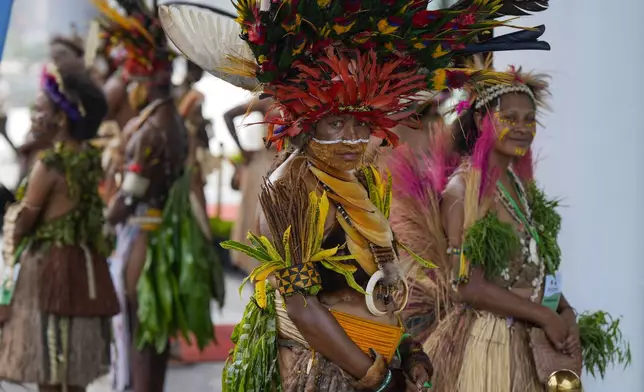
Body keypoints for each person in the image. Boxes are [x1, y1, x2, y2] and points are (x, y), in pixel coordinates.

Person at [160, 0, 538, 390]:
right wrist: (376, 378)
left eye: (361, 123)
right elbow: (302, 307)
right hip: (325, 369)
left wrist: (406, 349)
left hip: (374, 360)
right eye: (336, 123)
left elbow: (381, 278)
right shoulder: (290, 186)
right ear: (305, 124)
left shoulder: (362, 179)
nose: (352, 139)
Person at [389, 65, 586, 391]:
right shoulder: (462, 192)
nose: (522, 128)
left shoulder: (520, 188)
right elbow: (465, 287)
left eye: (529, 119)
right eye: (509, 117)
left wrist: (565, 313)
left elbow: (534, 268)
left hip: (531, 346)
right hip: (490, 348)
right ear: (482, 121)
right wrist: (544, 316)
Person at [98, 1, 224, 391]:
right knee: (149, 342)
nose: (130, 91)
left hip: (143, 241)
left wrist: (104, 222)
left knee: (140, 337)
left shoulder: (153, 128)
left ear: (145, 82)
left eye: (132, 83)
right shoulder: (168, 119)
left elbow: (130, 196)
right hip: (158, 241)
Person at [0, 60, 119, 392]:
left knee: (49, 367)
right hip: (84, 268)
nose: (35, 117)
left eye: (40, 110)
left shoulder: (48, 166)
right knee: (73, 367)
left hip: (48, 272)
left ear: (63, 117)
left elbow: (24, 222)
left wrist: (12, 216)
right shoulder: (90, 159)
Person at [223, 97, 277, 274]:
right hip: (263, 167)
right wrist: (242, 149)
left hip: (292, 164)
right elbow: (228, 115)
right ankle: (259, 292)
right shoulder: (267, 99)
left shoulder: (303, 96)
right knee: (258, 225)